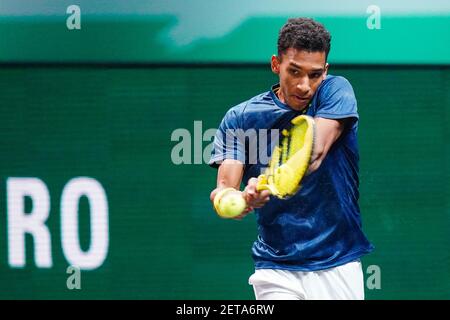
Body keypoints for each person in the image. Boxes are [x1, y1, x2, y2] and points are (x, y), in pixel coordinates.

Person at [208, 17, 374, 300]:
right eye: (294, 72)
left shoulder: (336, 91)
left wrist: (269, 181)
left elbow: (315, 151)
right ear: (276, 65)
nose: (304, 86)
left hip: (337, 263)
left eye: (315, 74)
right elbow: (222, 191)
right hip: (276, 268)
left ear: (326, 71)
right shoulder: (240, 118)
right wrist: (244, 200)